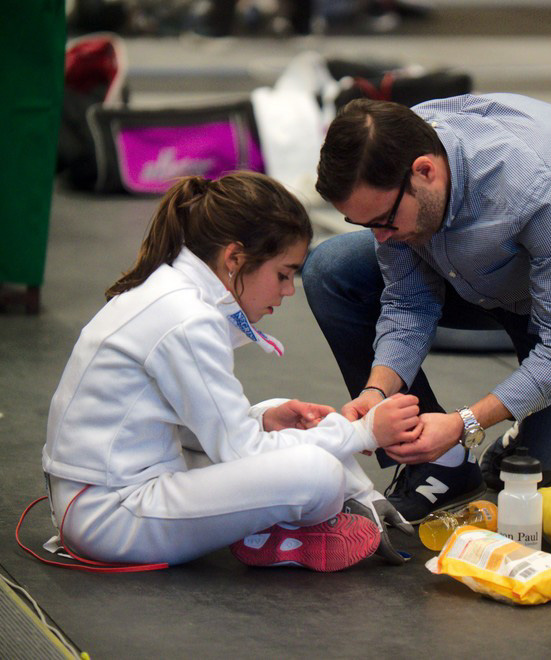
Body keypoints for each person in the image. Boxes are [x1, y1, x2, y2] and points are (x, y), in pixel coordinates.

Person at [302, 94, 551, 523]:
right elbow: (408, 301)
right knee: (332, 270)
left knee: (548, 504)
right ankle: (441, 464)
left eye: (384, 220)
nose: (380, 237)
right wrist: (376, 392)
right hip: (487, 277)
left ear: (425, 171)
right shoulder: (401, 154)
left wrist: (464, 423)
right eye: (364, 224)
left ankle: (541, 427)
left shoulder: (539, 183)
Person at [41, 171, 421, 573]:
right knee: (318, 473)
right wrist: (364, 434)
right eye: (283, 274)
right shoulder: (187, 318)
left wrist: (267, 421)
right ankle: (295, 525)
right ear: (234, 259)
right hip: (109, 516)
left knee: (277, 417)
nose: (289, 290)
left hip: (112, 490)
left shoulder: (173, 290)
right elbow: (241, 452)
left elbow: (182, 427)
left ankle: (347, 504)